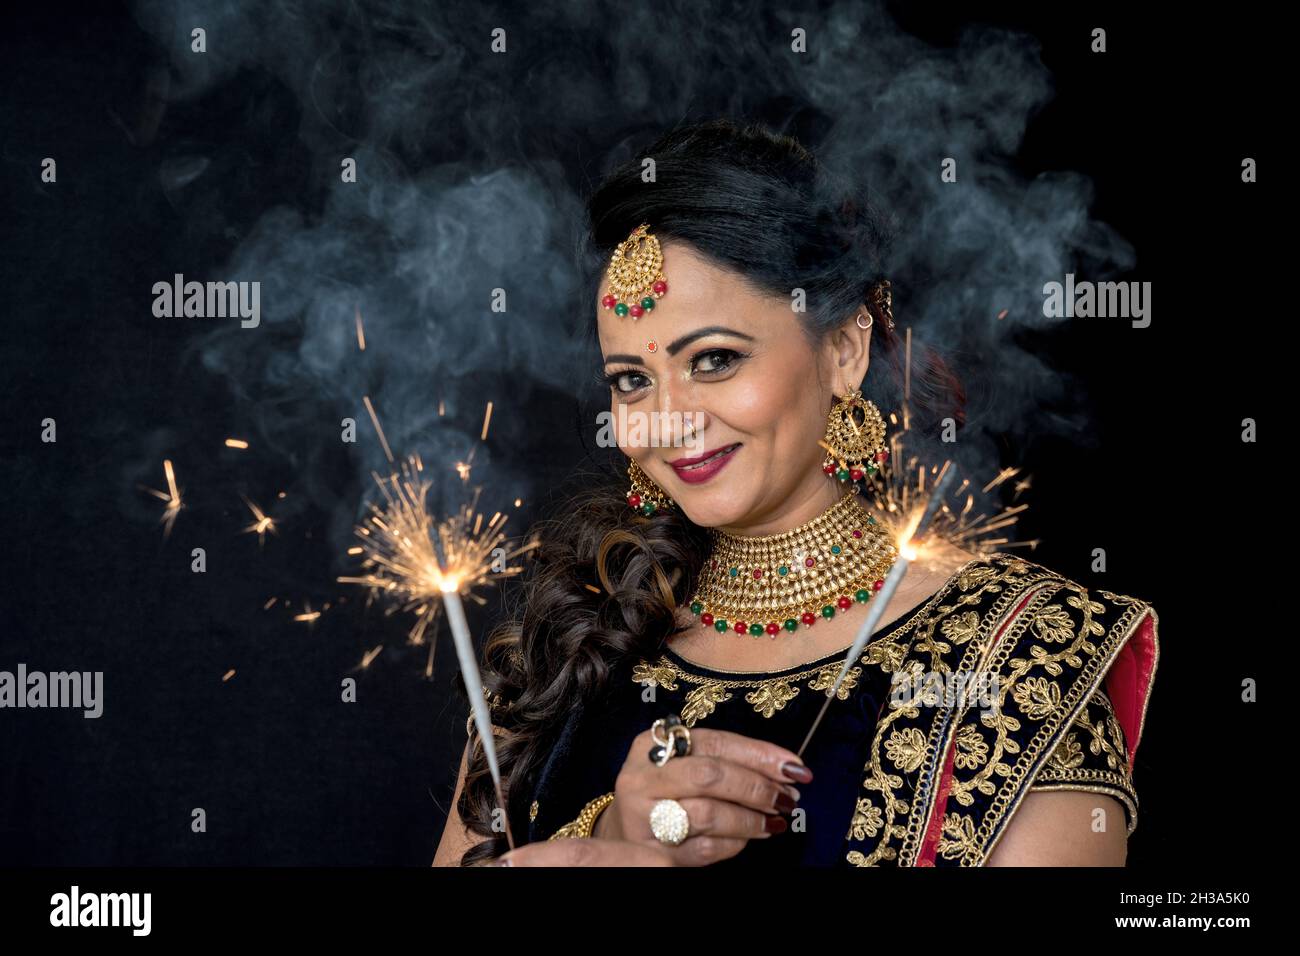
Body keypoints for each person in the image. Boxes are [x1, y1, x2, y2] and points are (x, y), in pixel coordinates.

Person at [433, 119, 1158, 868]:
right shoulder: (571, 642)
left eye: (715, 359)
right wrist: (610, 839)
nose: (670, 419)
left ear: (845, 347)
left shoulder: (1016, 656)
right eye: (631, 381)